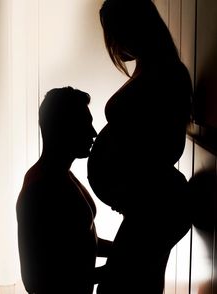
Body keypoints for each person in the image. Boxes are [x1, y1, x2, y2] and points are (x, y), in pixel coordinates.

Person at [87, 0, 193, 293]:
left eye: (115, 33)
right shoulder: (148, 69)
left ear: (135, 28)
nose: (113, 44)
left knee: (122, 286)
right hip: (145, 205)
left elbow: (171, 147)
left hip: (156, 205)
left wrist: (128, 180)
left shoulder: (168, 73)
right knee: (136, 284)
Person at [16, 87, 112, 294]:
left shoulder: (61, 175)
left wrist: (124, 251)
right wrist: (109, 271)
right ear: (63, 129)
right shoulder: (41, 188)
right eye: (86, 125)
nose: (94, 133)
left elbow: (81, 242)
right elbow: (36, 279)